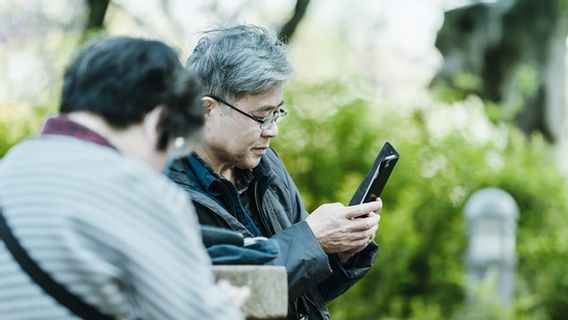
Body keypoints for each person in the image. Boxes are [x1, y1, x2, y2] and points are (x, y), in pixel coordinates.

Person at [0, 36, 243, 319]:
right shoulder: (140, 190)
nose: (164, 163)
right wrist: (223, 306)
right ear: (158, 120)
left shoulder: (10, 167)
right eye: (173, 144)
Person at [167, 25, 382, 319]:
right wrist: (311, 240)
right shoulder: (165, 192)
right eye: (260, 117)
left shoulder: (265, 164)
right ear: (207, 109)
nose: (273, 130)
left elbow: (301, 295)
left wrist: (340, 252)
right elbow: (215, 301)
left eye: (277, 112)